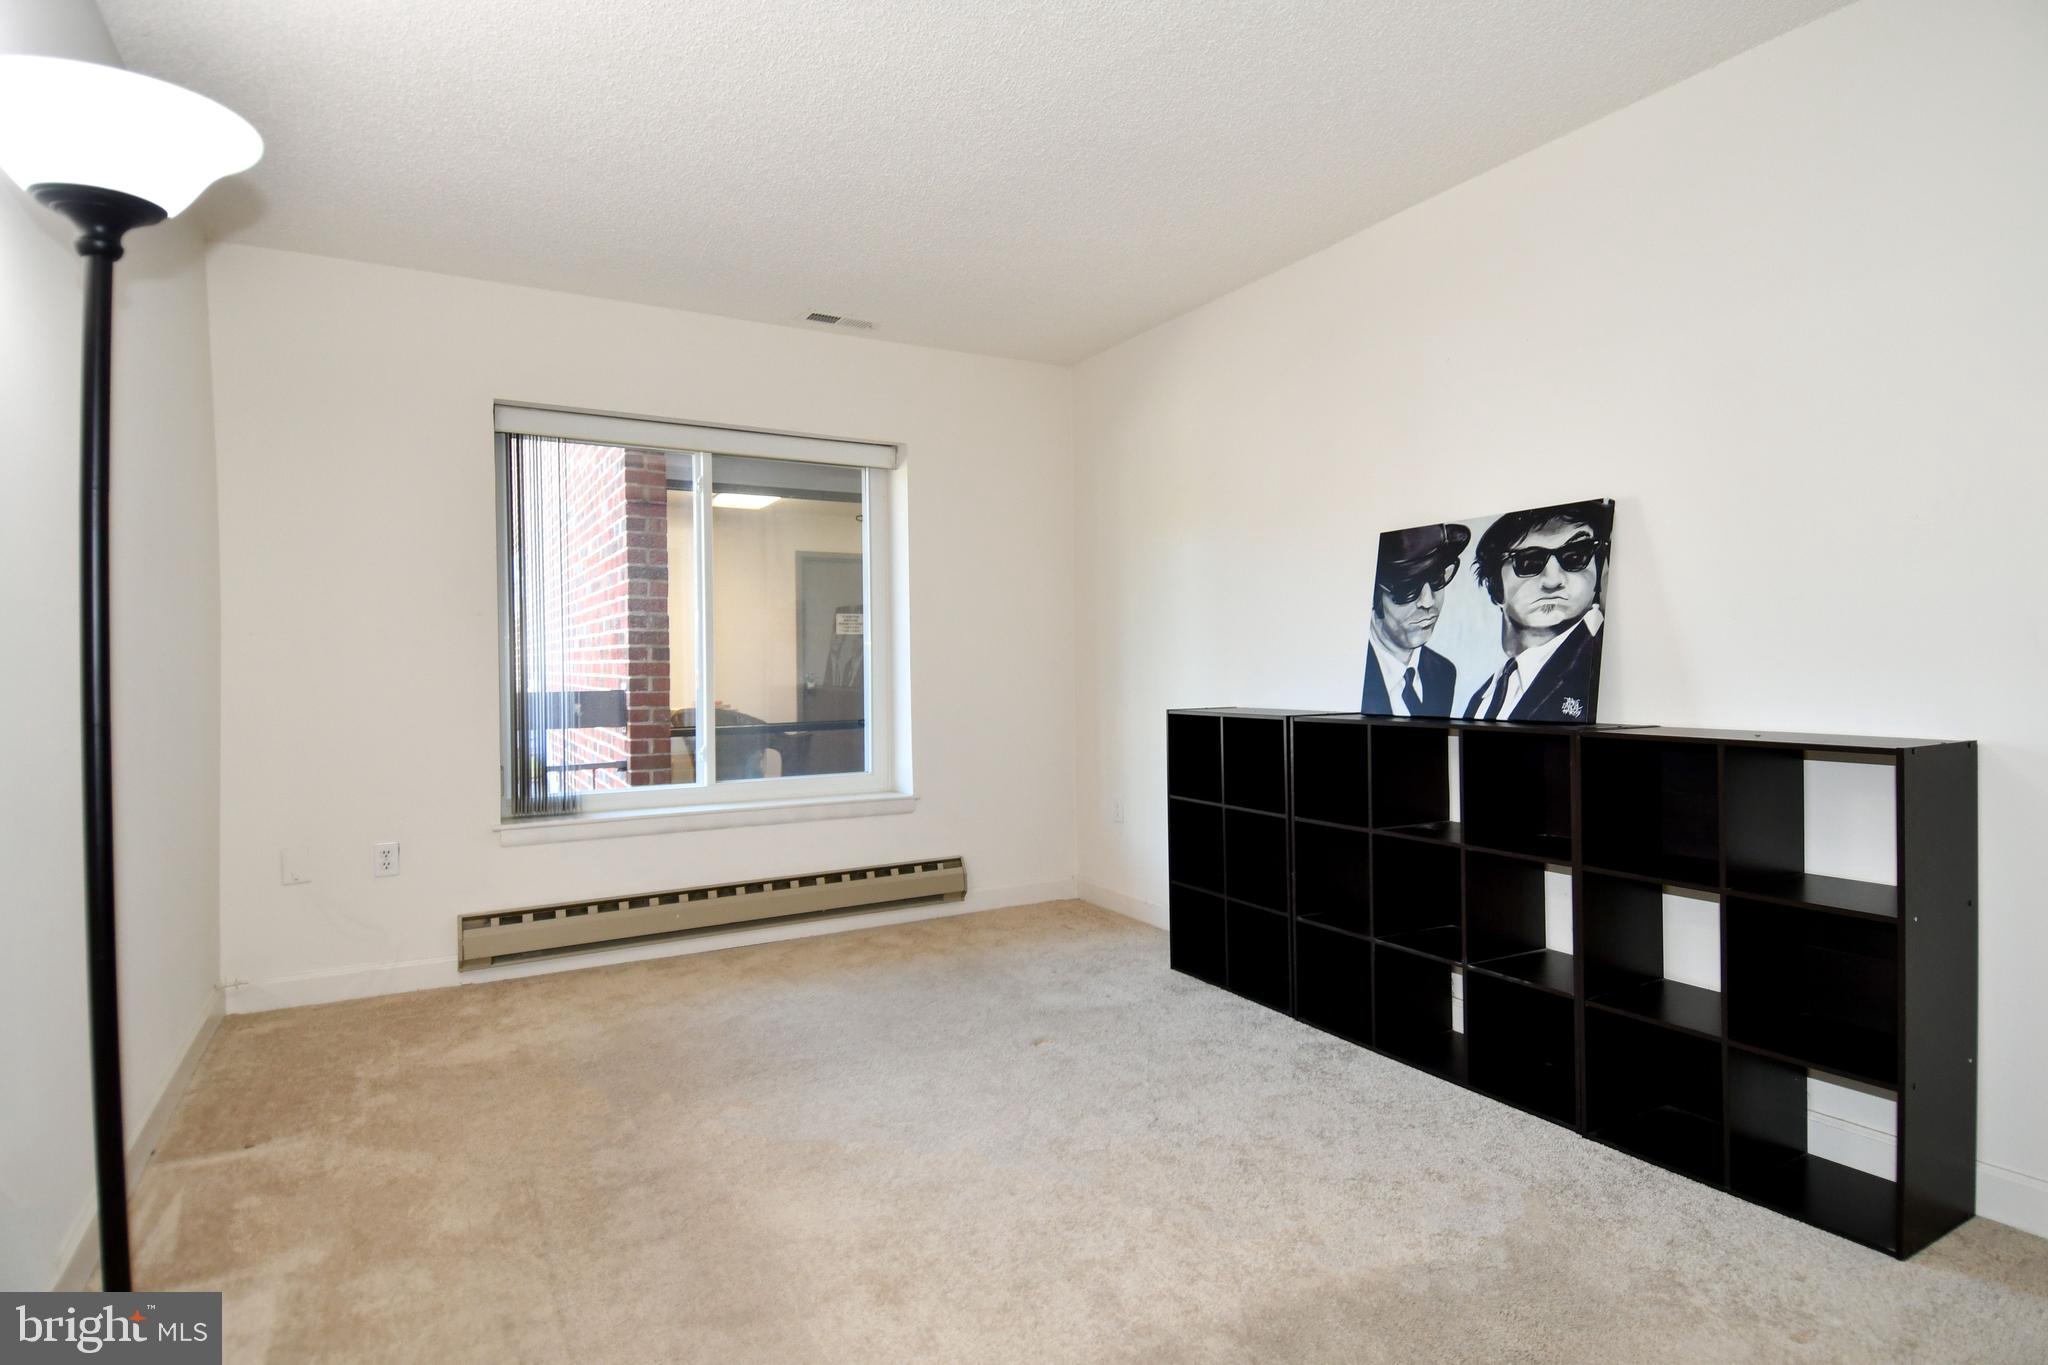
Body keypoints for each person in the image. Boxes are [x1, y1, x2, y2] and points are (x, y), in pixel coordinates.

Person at [1462, 500, 1613, 723]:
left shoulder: (1592, 669)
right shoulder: (1485, 694)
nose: (1553, 581)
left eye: (1575, 556)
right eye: (1529, 561)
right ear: (1493, 584)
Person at [1361, 523, 1469, 716]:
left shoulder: (1443, 673)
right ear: (1372, 593)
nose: (1428, 601)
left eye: (1437, 579)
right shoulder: (1350, 670)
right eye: (1408, 586)